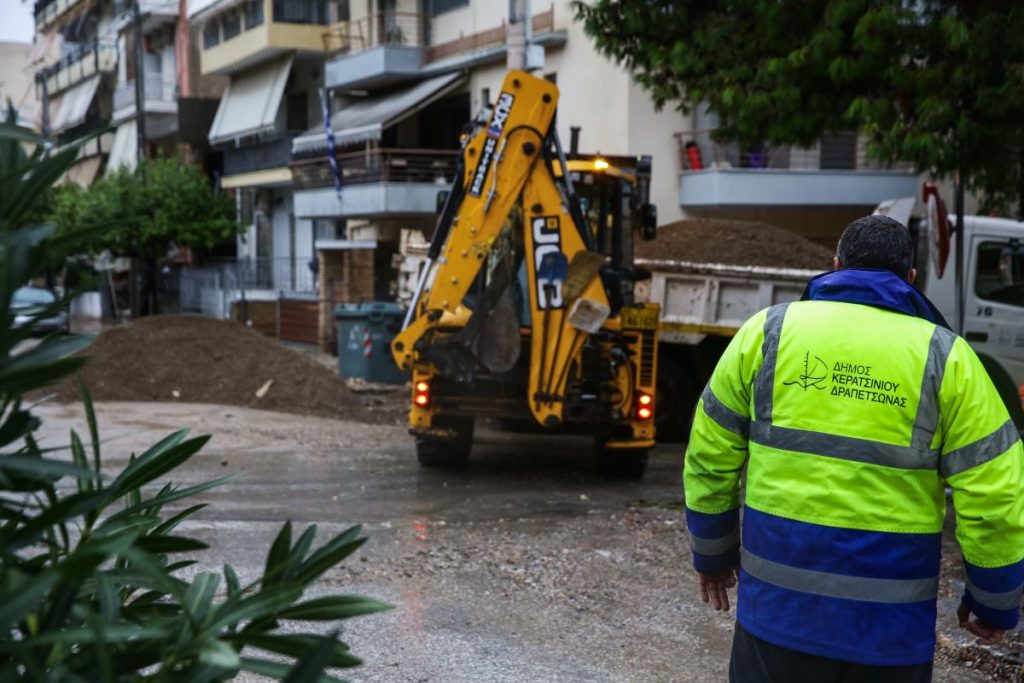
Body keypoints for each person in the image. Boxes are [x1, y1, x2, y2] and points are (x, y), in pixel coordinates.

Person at [683, 215, 1024, 681]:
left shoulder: (767, 333)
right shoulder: (948, 358)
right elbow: (996, 495)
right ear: (910, 279)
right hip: (890, 636)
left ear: (836, 264)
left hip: (777, 620)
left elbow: (709, 453)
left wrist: (714, 555)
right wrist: (993, 600)